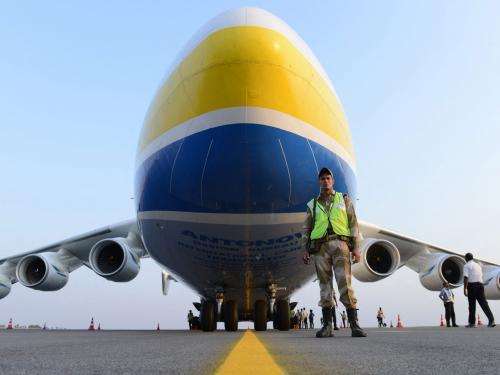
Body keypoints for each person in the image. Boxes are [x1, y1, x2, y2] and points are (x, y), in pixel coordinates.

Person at [303, 167, 367, 338]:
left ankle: (354, 324)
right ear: (319, 182)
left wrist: (356, 248)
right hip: (320, 247)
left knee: (345, 283)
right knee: (325, 286)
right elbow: (306, 228)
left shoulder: (343, 199)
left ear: (333, 181)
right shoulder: (313, 204)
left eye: (328, 178)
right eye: (322, 178)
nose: (325, 181)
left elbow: (353, 224)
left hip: (341, 245)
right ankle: (327, 326)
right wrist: (305, 249)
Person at [463, 253, 496, 328]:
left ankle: (472, 323)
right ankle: (491, 320)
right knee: (484, 303)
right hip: (480, 285)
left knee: (472, 305)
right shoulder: (478, 265)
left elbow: (466, 277)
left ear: (466, 258)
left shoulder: (466, 265)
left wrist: (465, 288)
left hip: (472, 285)